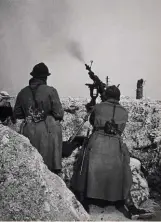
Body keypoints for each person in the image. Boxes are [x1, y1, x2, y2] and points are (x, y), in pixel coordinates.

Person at [71, 85, 133, 218]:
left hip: (97, 141)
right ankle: (124, 200)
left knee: (83, 162)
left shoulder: (98, 107)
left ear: (106, 96)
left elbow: (92, 121)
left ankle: (82, 195)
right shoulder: (124, 111)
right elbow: (121, 129)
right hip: (116, 142)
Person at [14, 62, 64, 175]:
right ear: (45, 77)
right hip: (46, 132)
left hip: (28, 130)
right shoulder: (51, 91)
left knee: (29, 167)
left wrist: (29, 115)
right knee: (47, 168)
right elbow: (59, 113)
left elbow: (17, 113)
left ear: (33, 76)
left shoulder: (22, 92)